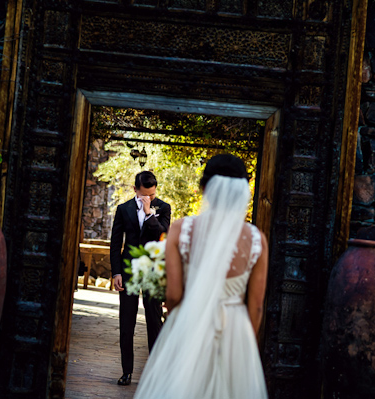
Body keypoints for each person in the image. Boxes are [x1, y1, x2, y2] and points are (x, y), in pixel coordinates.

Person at [134, 154, 269, 399]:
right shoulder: (257, 239)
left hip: (189, 322)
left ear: (204, 187)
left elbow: (174, 295)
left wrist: (174, 318)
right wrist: (244, 346)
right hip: (235, 330)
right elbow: (256, 307)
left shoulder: (182, 229)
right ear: (243, 190)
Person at [110, 170, 171, 386]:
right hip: (128, 273)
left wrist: (148, 212)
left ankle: (155, 373)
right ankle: (127, 372)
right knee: (127, 324)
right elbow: (116, 243)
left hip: (153, 274)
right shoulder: (123, 209)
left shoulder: (163, 208)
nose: (150, 198)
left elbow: (162, 235)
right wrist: (116, 272)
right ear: (135, 190)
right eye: (146, 195)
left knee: (154, 322)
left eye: (153, 195)